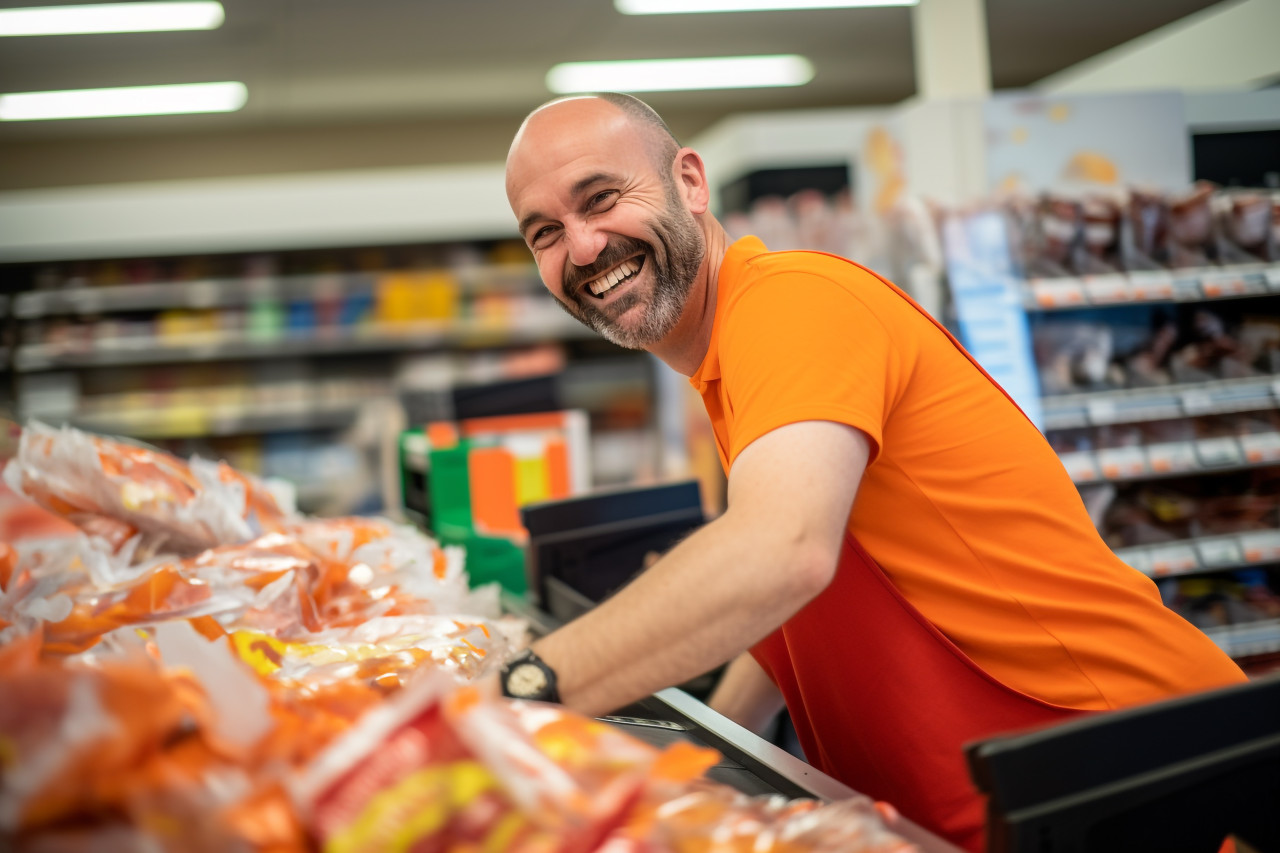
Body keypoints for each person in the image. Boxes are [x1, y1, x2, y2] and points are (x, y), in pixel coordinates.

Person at [499, 92, 1247, 851]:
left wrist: (518, 691)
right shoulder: (728, 362)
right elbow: (793, 609)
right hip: (1040, 798)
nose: (585, 247)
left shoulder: (791, 305)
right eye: (546, 233)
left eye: (602, 199)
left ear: (690, 182)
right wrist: (709, 762)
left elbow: (778, 553)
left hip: (1137, 778)